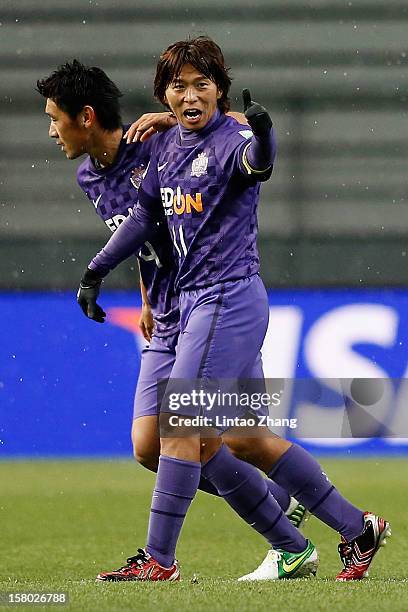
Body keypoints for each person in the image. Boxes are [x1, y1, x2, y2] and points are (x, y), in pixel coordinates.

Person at [76, 37, 391, 583]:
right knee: (247, 440)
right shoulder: (169, 147)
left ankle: (159, 560)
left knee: (182, 423)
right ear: (165, 95)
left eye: (202, 84)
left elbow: (257, 162)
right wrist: (96, 269)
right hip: (200, 302)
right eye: (179, 86)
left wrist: (265, 131)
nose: (191, 94)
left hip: (226, 297)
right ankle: (354, 528)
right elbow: (144, 216)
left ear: (220, 90)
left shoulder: (232, 138)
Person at [36, 58, 312, 562]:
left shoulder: (156, 141)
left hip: (208, 303)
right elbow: (144, 236)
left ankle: (276, 536)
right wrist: (144, 297)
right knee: (157, 445)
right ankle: (283, 506)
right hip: (166, 312)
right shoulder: (88, 177)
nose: (51, 130)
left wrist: (177, 116)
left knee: (204, 437)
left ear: (87, 116)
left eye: (55, 117)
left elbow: (239, 135)